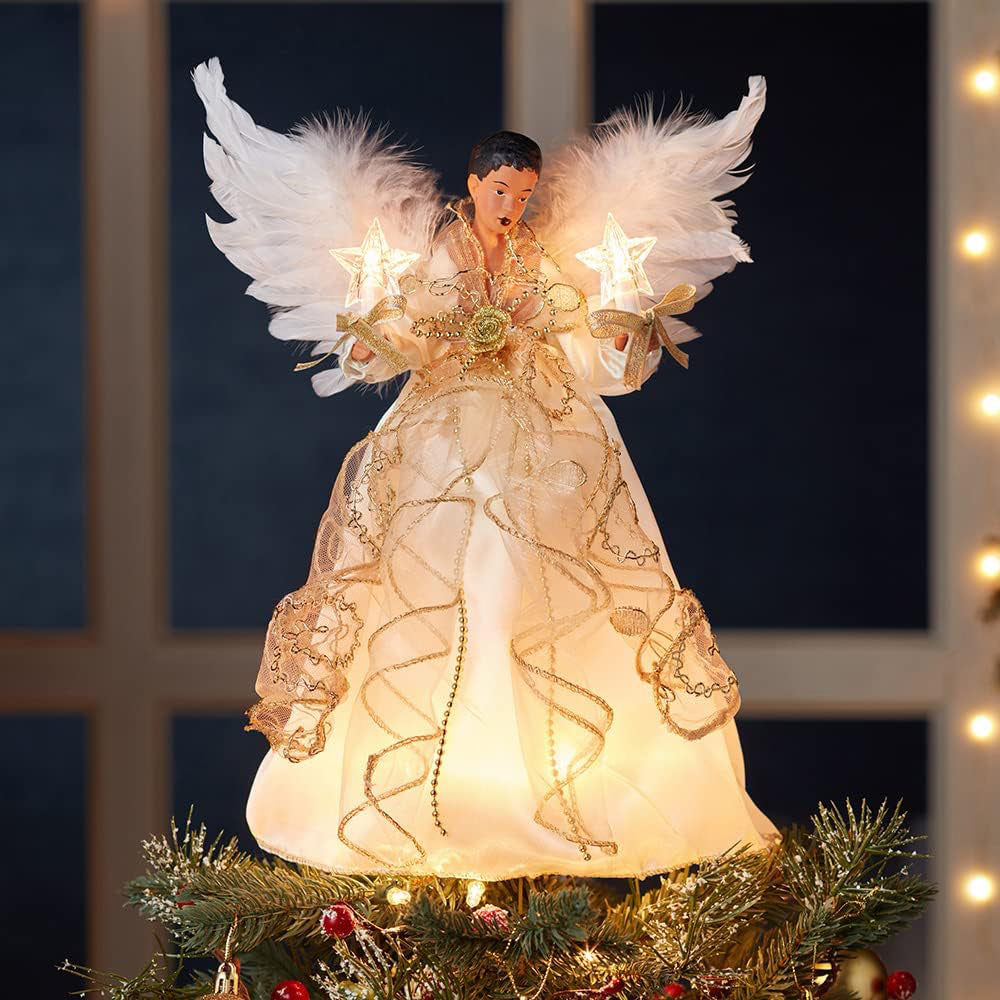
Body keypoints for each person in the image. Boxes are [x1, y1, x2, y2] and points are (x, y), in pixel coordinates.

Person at [194, 58, 777, 877]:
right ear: (475, 186)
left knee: (543, 597)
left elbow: (590, 358)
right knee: (434, 595)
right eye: (501, 190)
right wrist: (370, 337)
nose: (512, 205)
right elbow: (395, 343)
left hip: (546, 448)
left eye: (524, 194)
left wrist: (619, 331)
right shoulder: (439, 257)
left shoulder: (545, 263)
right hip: (440, 451)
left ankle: (555, 790)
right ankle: (433, 798)